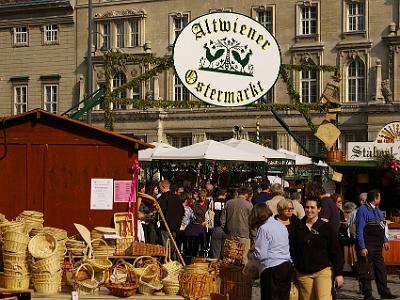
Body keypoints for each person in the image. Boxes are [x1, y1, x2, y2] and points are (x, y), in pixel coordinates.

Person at [292, 196, 344, 300]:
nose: (309, 210)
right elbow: (293, 249)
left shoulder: (327, 227)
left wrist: (339, 274)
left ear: (319, 209)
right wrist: (295, 268)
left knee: (323, 298)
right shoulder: (298, 227)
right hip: (303, 272)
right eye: (307, 207)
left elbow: (335, 252)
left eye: (312, 207)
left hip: (323, 270)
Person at [355, 189, 397, 300]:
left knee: (381, 269)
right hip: (367, 244)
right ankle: (368, 294)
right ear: (375, 198)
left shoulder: (378, 210)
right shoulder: (362, 210)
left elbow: (382, 226)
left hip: (377, 245)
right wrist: (362, 246)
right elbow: (359, 230)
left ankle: (384, 292)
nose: (380, 199)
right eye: (379, 197)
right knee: (367, 269)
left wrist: (385, 240)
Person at [249, 203, 293, 300]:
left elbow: (261, 254)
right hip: (286, 265)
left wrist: (252, 254)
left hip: (272, 268)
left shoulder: (264, 228)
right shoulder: (281, 226)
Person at [220, 186, 253, 264]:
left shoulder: (229, 203)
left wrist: (225, 229)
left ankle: (227, 276)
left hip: (230, 233)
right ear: (247, 194)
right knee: (244, 260)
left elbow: (222, 220)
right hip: (245, 235)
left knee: (229, 259)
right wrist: (253, 236)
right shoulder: (249, 205)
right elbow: (252, 223)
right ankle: (242, 276)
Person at [157, 179, 184, 246]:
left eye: (160, 187)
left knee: (165, 247)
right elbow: (182, 211)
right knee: (173, 246)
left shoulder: (163, 197)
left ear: (163, 187)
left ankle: (167, 256)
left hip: (166, 226)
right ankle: (172, 256)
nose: (159, 189)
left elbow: (161, 210)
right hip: (175, 226)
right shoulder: (177, 197)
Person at [210, 188, 228, 258]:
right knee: (225, 254)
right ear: (225, 194)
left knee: (216, 254)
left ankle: (216, 268)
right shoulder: (228, 203)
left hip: (216, 227)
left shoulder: (213, 202)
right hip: (226, 229)